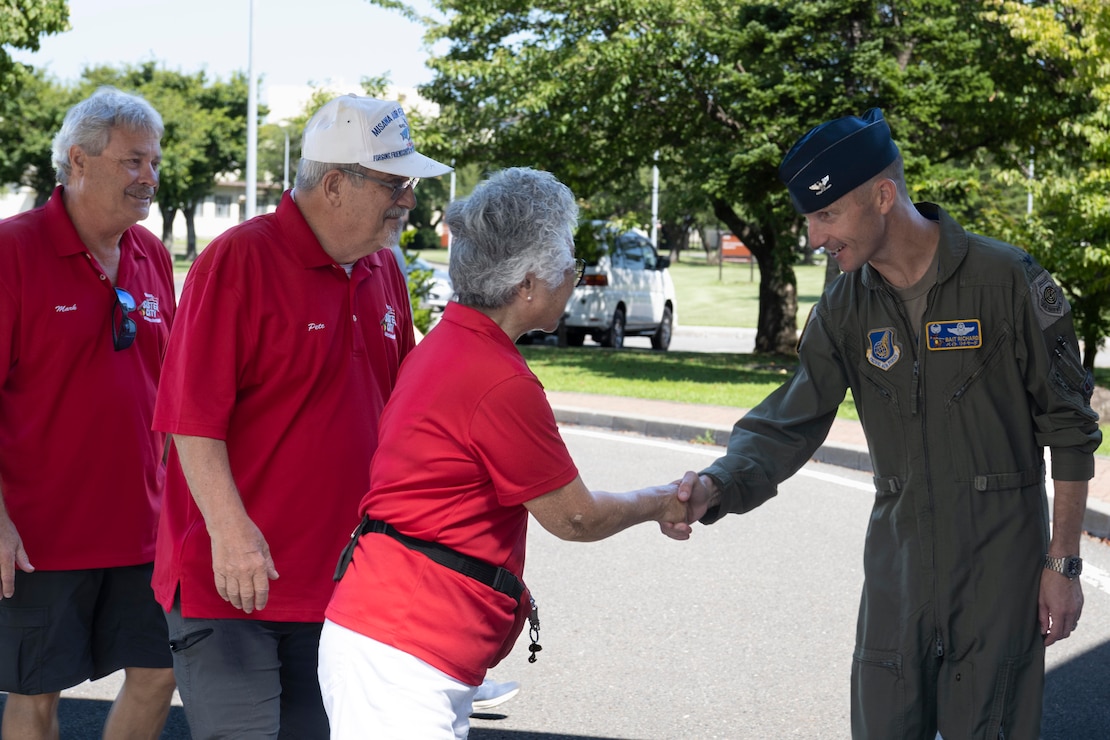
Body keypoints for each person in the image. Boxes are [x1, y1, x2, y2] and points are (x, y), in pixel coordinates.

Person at [667, 108, 1101, 738]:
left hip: (1000, 576)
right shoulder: (845, 305)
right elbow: (791, 419)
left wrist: (1062, 566)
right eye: (811, 219)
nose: (815, 236)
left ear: (882, 196)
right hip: (898, 575)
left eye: (826, 215)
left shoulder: (1006, 280)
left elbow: (1069, 426)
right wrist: (716, 486)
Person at [318, 166, 695, 739]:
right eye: (566, 262)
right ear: (526, 284)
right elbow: (575, 517)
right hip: (401, 652)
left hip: (394, 640)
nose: (574, 275)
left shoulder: (447, 343)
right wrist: (661, 500)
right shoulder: (497, 380)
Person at [150, 94, 450, 738]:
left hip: (343, 586)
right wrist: (231, 536)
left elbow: (403, 411)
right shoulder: (238, 261)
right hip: (233, 585)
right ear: (336, 183)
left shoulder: (382, 269)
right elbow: (189, 420)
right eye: (396, 184)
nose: (409, 201)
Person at [0, 87, 177, 739]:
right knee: (35, 694)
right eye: (134, 161)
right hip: (39, 539)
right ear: (78, 161)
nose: (149, 178)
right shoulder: (12, 251)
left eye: (154, 163)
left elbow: (171, 390)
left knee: (160, 674)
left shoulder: (152, 255)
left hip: (146, 529)